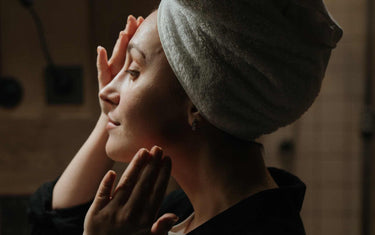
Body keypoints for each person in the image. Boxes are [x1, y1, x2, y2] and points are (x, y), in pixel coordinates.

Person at [28, 0, 343, 234]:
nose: (105, 90)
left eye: (134, 70)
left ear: (198, 101)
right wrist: (110, 114)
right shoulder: (181, 212)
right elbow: (55, 224)